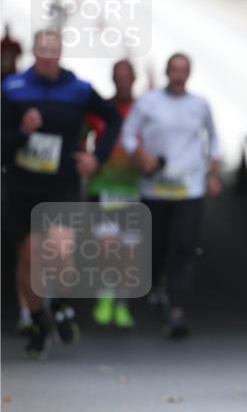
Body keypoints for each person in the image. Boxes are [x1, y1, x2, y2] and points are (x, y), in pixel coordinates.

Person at [1, 29, 122, 358]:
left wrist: (96, 158)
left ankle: (62, 304)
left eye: (54, 49)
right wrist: (21, 132)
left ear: (61, 52)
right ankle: (38, 319)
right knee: (29, 258)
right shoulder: (12, 89)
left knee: (61, 249)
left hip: (62, 183)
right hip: (23, 185)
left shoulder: (78, 89)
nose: (48, 55)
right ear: (34, 52)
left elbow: (112, 119)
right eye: (42, 49)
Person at [121, 53, 222, 338]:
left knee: (184, 248)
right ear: (166, 72)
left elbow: (213, 140)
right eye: (174, 70)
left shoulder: (200, 105)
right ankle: (155, 284)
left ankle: (177, 310)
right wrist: (142, 155)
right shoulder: (149, 102)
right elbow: (128, 134)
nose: (178, 76)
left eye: (183, 71)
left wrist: (213, 173)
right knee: (156, 246)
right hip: (154, 188)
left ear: (189, 74)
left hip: (189, 190)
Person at [85, 59, 141, 329]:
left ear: (134, 78)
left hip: (133, 188)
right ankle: (104, 297)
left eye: (126, 76)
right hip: (103, 187)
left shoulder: (144, 110)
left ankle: (122, 304)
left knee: (129, 252)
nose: (122, 81)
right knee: (108, 248)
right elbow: (76, 134)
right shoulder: (101, 110)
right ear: (112, 78)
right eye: (117, 76)